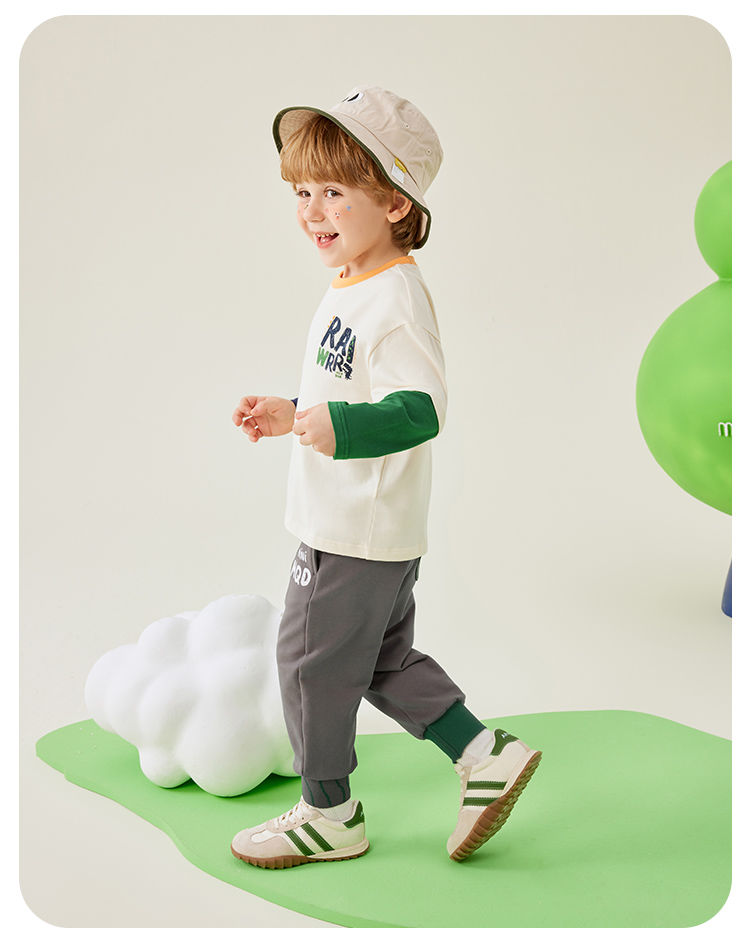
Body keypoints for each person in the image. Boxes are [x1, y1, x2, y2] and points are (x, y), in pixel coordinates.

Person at [230, 87, 541, 869]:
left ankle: (328, 813)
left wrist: (339, 427)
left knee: (307, 662)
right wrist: (295, 412)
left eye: (334, 191)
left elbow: (420, 408)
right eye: (302, 191)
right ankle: (484, 756)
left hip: (352, 528)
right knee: (379, 662)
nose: (312, 210)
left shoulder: (394, 297)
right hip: (370, 524)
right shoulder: (353, 282)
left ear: (396, 203)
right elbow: (352, 392)